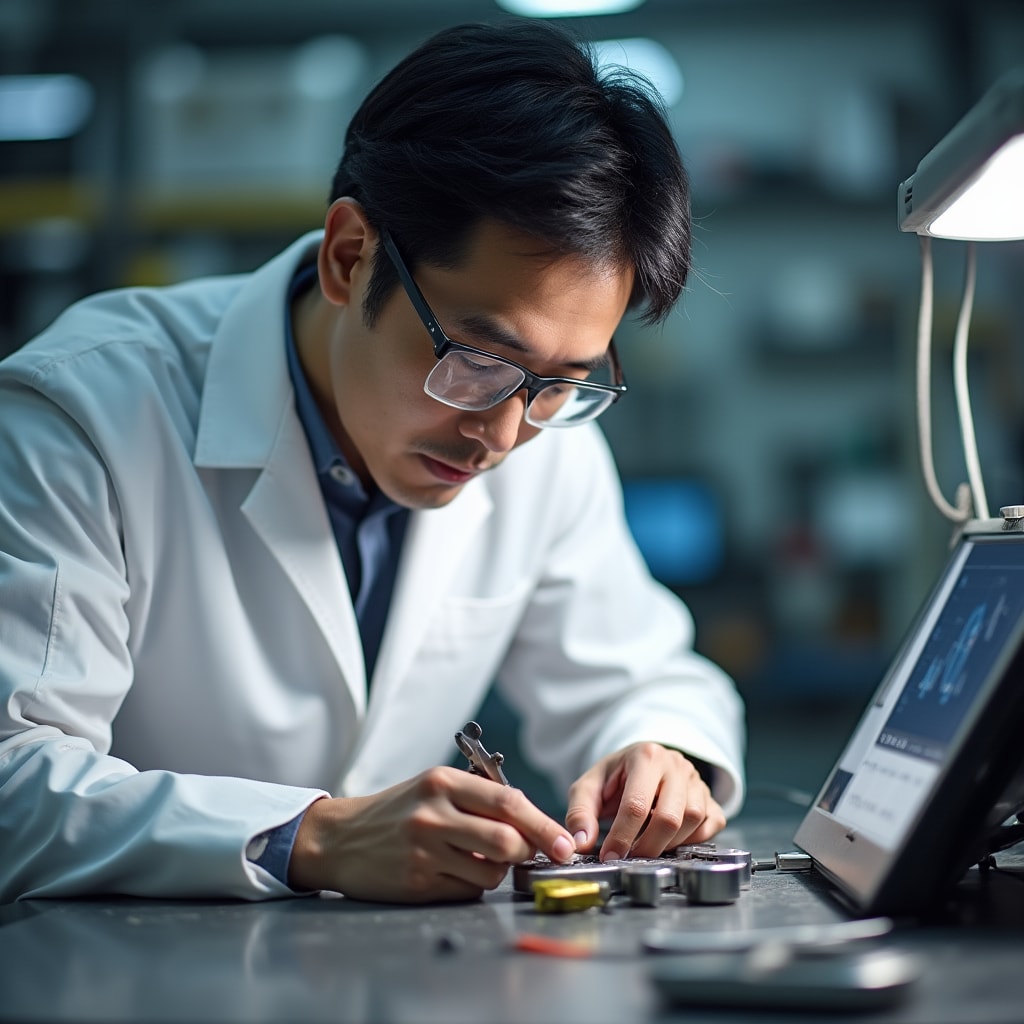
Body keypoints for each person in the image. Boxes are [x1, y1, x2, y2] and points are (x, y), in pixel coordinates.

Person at [0, 20, 745, 904]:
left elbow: (641, 674)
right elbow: (15, 782)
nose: (503, 435)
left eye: (564, 380)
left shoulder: (547, 434)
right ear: (350, 256)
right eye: (478, 360)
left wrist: (661, 754)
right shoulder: (82, 413)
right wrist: (307, 838)